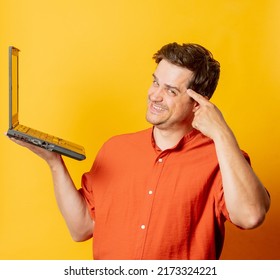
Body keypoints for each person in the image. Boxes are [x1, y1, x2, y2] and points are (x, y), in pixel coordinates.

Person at [9, 42, 270, 260]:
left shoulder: (221, 157)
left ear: (198, 103)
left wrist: (222, 132)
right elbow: (81, 228)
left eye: (170, 91)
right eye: (156, 83)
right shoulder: (115, 149)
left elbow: (250, 216)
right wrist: (54, 162)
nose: (155, 96)